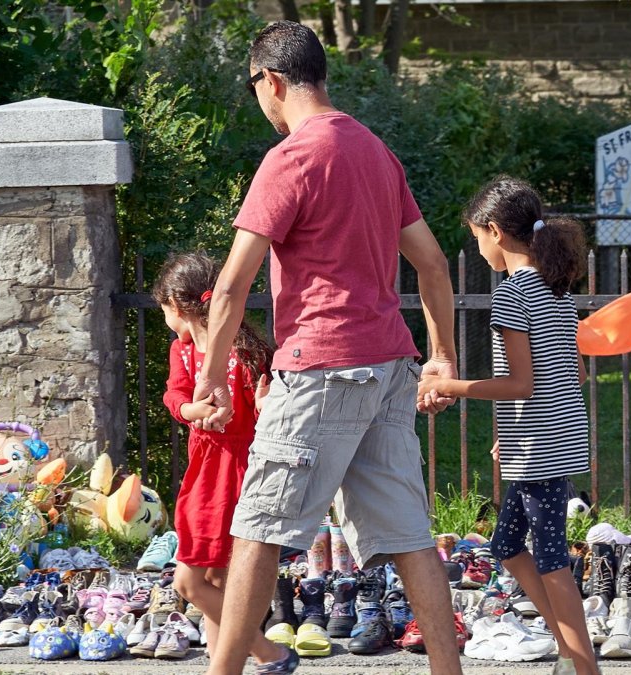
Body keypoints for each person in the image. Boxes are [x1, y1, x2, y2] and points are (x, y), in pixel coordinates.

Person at [193, 20, 461, 675]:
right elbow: (431, 263)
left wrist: (212, 378)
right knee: (409, 536)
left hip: (318, 370)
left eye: (255, 86)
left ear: (273, 81)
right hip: (389, 369)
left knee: (258, 527)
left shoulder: (291, 158)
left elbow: (230, 286)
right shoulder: (373, 149)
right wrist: (443, 354)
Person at [418, 176, 599, 675]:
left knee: (551, 557)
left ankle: (584, 666)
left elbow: (519, 383)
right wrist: (509, 433)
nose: (478, 248)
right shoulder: (554, 289)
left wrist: (450, 387)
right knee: (505, 546)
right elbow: (568, 371)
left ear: (494, 231)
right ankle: (569, 651)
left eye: (476, 236)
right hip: (550, 438)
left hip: (541, 447)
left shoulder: (512, 295)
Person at [153, 252, 283, 661]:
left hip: (238, 470)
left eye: (163, 312)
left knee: (191, 582)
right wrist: (191, 411)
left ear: (176, 306)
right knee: (213, 577)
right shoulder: (183, 351)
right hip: (204, 467)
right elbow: (174, 394)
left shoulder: (246, 350)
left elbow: (265, 410)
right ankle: (225, 662)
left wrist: (263, 407)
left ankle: (266, 652)